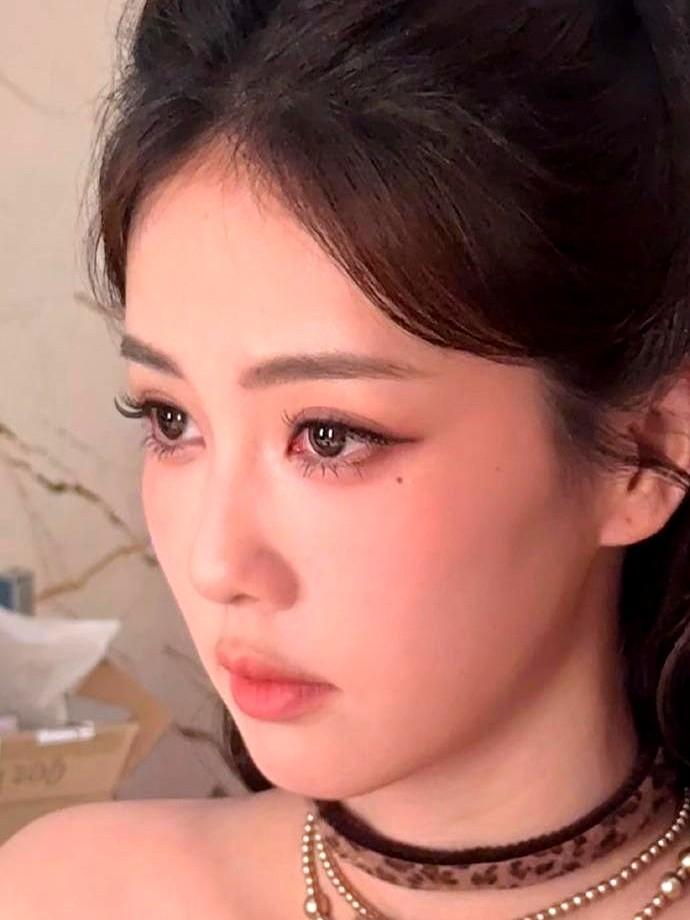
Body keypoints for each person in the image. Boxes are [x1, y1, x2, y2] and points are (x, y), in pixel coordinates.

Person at [2, 0, 690, 917]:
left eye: (329, 436)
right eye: (170, 420)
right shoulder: (64, 895)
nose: (214, 565)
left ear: (642, 452)